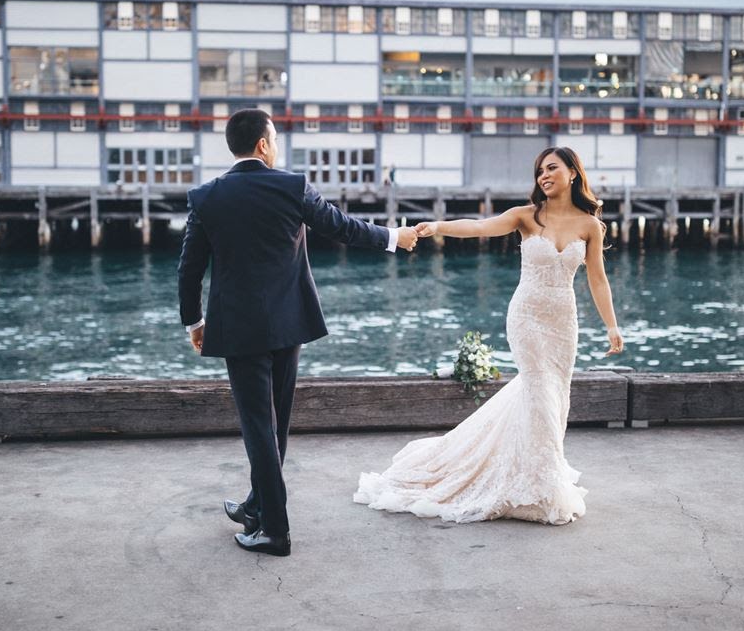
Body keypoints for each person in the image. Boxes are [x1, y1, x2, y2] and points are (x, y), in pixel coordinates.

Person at [178, 109, 418, 557]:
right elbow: (341, 227)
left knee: (258, 426)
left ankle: (273, 526)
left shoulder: (206, 197)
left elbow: (189, 270)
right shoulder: (291, 186)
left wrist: (194, 322)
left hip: (238, 329)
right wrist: (392, 238)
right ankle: (259, 507)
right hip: (289, 323)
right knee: (275, 425)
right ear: (265, 144)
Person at [354, 146, 622, 525]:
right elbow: (480, 226)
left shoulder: (589, 225)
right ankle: (539, 492)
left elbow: (597, 278)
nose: (544, 176)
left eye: (551, 168)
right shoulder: (527, 216)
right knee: (540, 394)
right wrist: (439, 227)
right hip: (527, 318)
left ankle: (534, 480)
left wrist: (612, 326)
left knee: (555, 399)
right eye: (539, 172)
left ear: (573, 173)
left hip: (563, 323)